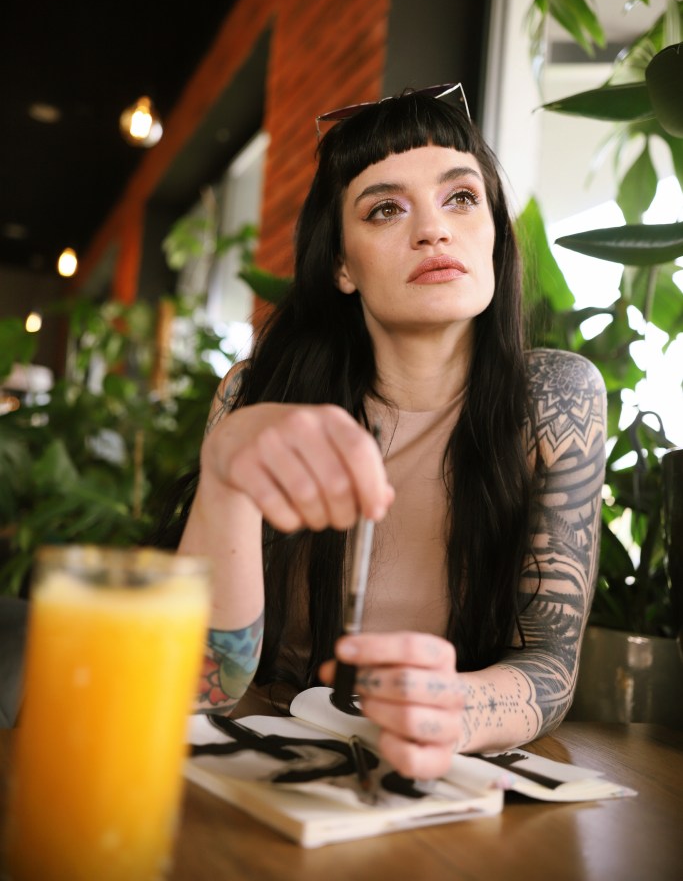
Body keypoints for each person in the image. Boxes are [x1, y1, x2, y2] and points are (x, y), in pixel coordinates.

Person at [178, 84, 606, 781]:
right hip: (262, 765)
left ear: (495, 234)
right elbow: (201, 689)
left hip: (446, 777)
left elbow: (550, 665)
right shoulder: (259, 397)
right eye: (385, 208)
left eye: (460, 197)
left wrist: (455, 709)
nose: (433, 230)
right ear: (341, 265)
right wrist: (224, 473)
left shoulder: (555, 399)